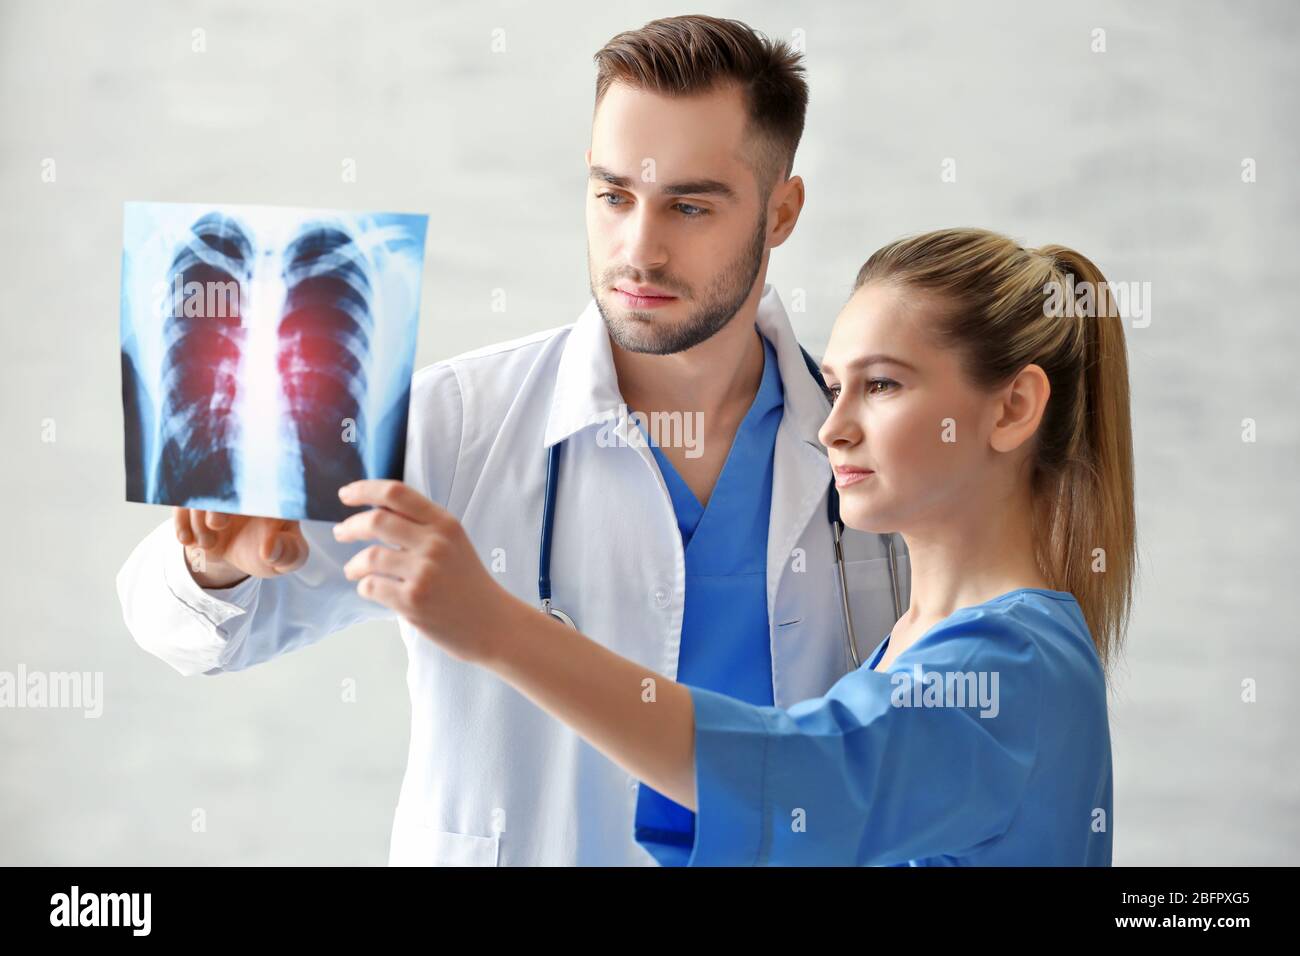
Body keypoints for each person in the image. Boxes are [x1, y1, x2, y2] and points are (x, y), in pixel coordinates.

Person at [115, 16, 909, 866]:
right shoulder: (457, 425)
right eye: (613, 196)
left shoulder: (871, 441)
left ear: (781, 210)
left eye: (688, 205)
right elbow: (191, 634)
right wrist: (215, 563)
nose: (638, 250)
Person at [331, 227, 1136, 866]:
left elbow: (798, 774)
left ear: (1013, 408)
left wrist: (498, 630)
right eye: (835, 381)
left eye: (883, 385)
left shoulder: (1011, 672)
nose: (833, 425)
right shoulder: (913, 643)